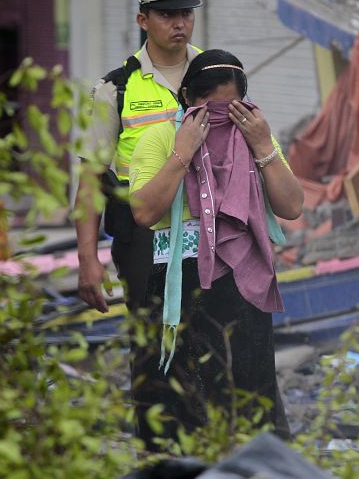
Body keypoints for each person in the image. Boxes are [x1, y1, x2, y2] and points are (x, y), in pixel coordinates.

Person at [127, 49, 304, 444]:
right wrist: (182, 152)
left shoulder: (254, 136)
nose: (223, 120)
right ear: (188, 99)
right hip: (180, 286)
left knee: (249, 403)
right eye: (211, 109)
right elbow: (143, 212)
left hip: (243, 287)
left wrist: (261, 145)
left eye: (233, 108)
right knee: (183, 406)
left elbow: (292, 205)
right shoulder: (159, 137)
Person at [74, 0, 202, 447]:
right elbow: (89, 179)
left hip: (208, 233)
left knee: (209, 341)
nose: (179, 23)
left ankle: (207, 452)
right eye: (168, 14)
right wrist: (88, 260)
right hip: (143, 238)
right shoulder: (115, 89)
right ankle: (157, 454)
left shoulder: (216, 73)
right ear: (142, 19)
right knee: (152, 348)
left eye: (186, 13)